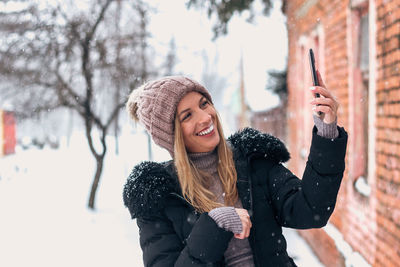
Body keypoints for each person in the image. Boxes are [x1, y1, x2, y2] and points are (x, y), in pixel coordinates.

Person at [123, 74, 347, 267]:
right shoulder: (158, 196)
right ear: (171, 136)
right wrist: (214, 224)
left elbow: (310, 210)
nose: (205, 117)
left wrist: (327, 134)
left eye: (204, 104)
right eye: (187, 116)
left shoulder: (253, 160)